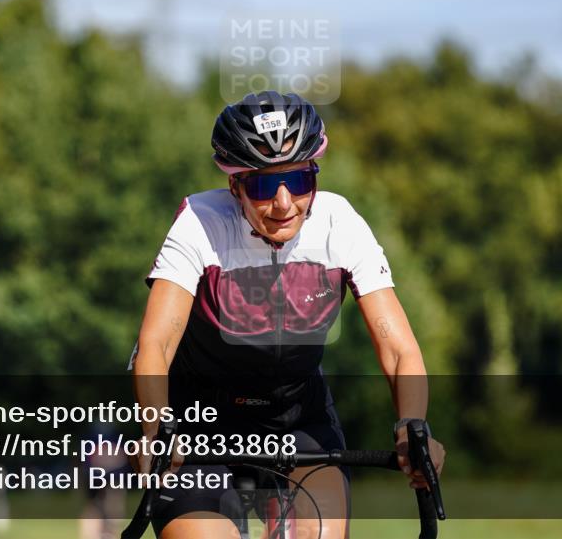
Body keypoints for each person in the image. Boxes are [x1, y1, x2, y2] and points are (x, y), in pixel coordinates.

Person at [131, 91, 445, 539]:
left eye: (298, 180)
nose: (283, 203)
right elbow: (156, 344)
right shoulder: (201, 222)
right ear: (235, 186)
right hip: (198, 424)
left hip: (297, 419)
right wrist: (155, 428)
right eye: (262, 186)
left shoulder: (340, 223)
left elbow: (398, 348)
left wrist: (412, 427)